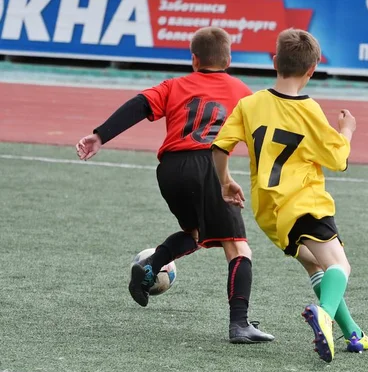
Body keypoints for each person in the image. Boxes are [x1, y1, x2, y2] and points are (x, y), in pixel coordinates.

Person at [75, 27, 274, 344]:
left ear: (194, 59)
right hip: (205, 165)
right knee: (238, 247)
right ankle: (240, 324)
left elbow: (139, 104)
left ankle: (150, 269)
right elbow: (262, 137)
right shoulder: (241, 91)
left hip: (169, 170)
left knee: (196, 233)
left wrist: (100, 135)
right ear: (229, 59)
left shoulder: (175, 85)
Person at [211, 28, 368, 362]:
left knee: (315, 264)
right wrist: (347, 130)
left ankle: (354, 333)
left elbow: (220, 147)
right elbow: (338, 159)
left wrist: (226, 181)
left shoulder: (250, 104)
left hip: (268, 210)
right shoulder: (308, 110)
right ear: (311, 71)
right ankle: (325, 315)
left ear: (275, 62)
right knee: (340, 265)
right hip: (304, 203)